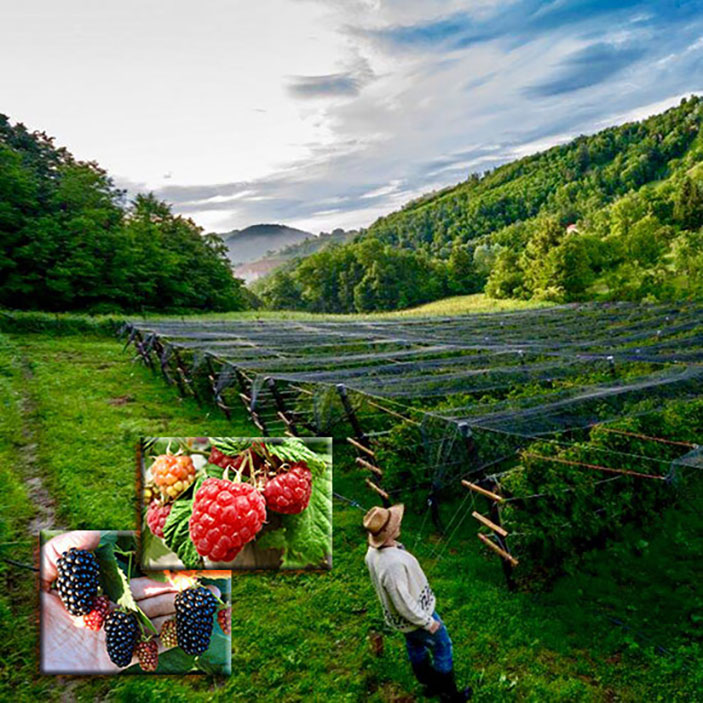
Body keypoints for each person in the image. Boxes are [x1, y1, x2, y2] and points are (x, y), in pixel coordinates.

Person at [364, 504, 471, 702]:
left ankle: (429, 684)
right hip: (416, 617)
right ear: (387, 533)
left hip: (404, 623)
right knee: (442, 646)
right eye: (395, 524)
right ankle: (449, 695)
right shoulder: (392, 564)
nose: (399, 523)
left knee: (414, 645)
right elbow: (402, 603)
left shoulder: (373, 553)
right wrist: (427, 622)